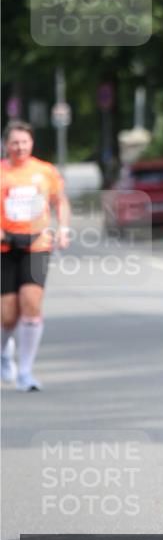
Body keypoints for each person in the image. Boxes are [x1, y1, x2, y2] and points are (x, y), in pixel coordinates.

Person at [1, 120, 70, 391]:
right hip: (5, 246)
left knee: (31, 305)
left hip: (37, 243)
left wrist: (63, 228)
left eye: (25, 142)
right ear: (6, 145)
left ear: (32, 143)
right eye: (15, 142)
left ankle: (25, 372)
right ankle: (4, 352)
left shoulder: (45, 171)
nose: (20, 147)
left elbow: (60, 201)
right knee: (8, 315)